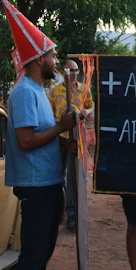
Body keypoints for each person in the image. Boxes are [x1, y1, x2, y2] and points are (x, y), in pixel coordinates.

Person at [2, 0, 76, 269]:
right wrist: (60, 127)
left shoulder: (37, 90)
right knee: (33, 259)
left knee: (41, 255)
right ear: (37, 59)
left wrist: (60, 142)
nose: (56, 61)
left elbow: (40, 137)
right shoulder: (23, 93)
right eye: (53, 55)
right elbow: (25, 141)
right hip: (37, 187)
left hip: (48, 183)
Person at [47, 59, 95, 230]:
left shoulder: (84, 90)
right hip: (59, 137)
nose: (73, 73)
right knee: (57, 175)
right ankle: (57, 213)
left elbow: (91, 106)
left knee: (74, 177)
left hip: (78, 138)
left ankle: (73, 215)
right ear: (62, 72)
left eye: (75, 70)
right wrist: (62, 123)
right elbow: (47, 117)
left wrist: (86, 112)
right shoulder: (54, 92)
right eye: (69, 70)